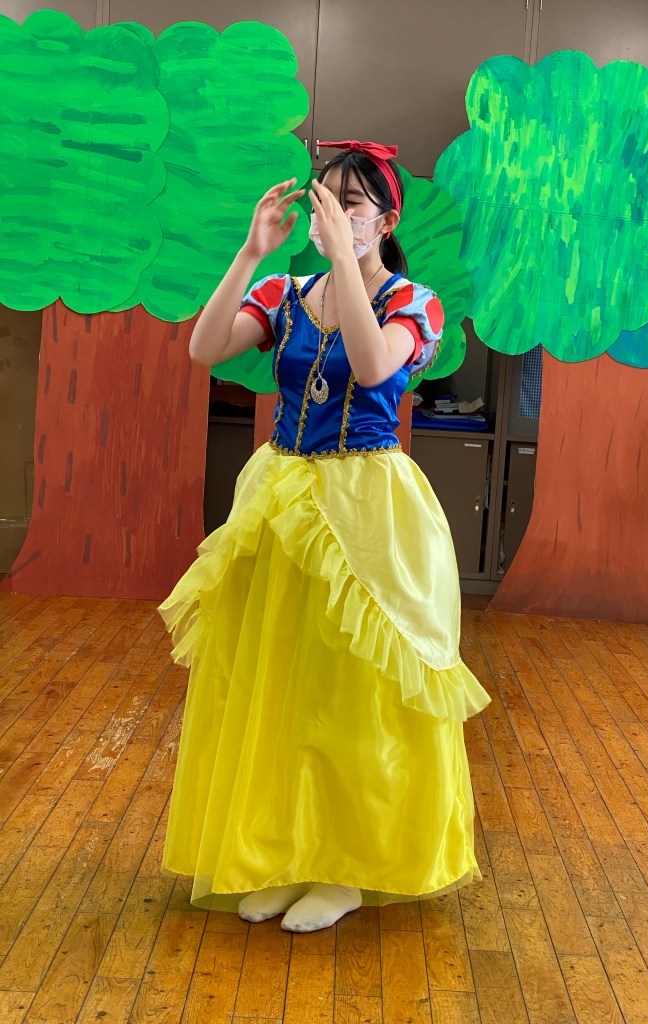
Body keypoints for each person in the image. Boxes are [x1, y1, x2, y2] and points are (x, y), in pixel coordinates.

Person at [158, 140, 491, 934]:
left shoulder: (415, 303)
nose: (333, 214)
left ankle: (348, 868)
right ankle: (282, 853)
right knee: (282, 682)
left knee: (354, 695)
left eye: (353, 203)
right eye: (327, 199)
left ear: (386, 220)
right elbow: (205, 349)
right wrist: (251, 252)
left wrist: (346, 259)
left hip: (369, 510)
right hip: (284, 501)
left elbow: (374, 370)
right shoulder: (286, 293)